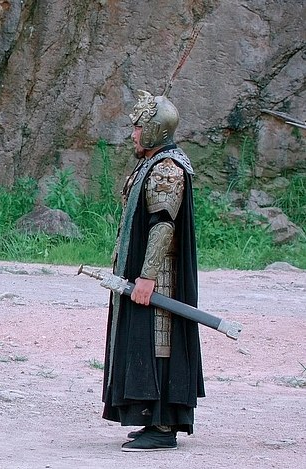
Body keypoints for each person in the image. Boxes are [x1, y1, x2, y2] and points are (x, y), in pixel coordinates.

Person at [101, 89, 203, 451]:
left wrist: (146, 277)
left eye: (139, 127)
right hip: (144, 274)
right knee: (144, 339)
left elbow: (162, 226)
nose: (133, 134)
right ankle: (149, 417)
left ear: (156, 130)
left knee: (160, 342)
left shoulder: (166, 169)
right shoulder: (153, 162)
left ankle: (162, 426)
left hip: (161, 278)